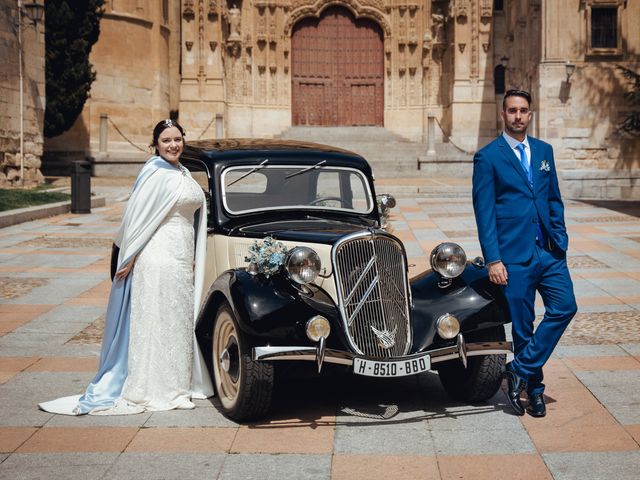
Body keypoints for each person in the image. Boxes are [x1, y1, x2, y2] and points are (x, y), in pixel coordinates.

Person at [39, 119, 214, 415]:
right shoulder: (154, 172)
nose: (173, 145)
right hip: (157, 256)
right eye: (166, 141)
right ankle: (158, 390)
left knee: (176, 320)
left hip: (181, 257)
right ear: (155, 145)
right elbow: (138, 217)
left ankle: (178, 386)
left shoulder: (182, 172)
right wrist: (129, 257)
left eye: (177, 139)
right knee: (158, 320)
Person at [472, 89, 577, 418]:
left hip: (548, 252)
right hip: (512, 256)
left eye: (524, 110)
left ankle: (518, 368)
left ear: (531, 114)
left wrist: (560, 235)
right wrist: (493, 259)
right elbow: (484, 212)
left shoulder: (544, 151)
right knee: (523, 327)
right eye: (512, 110)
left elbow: (553, 198)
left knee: (565, 307)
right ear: (503, 114)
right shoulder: (488, 157)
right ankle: (534, 390)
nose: (518, 116)